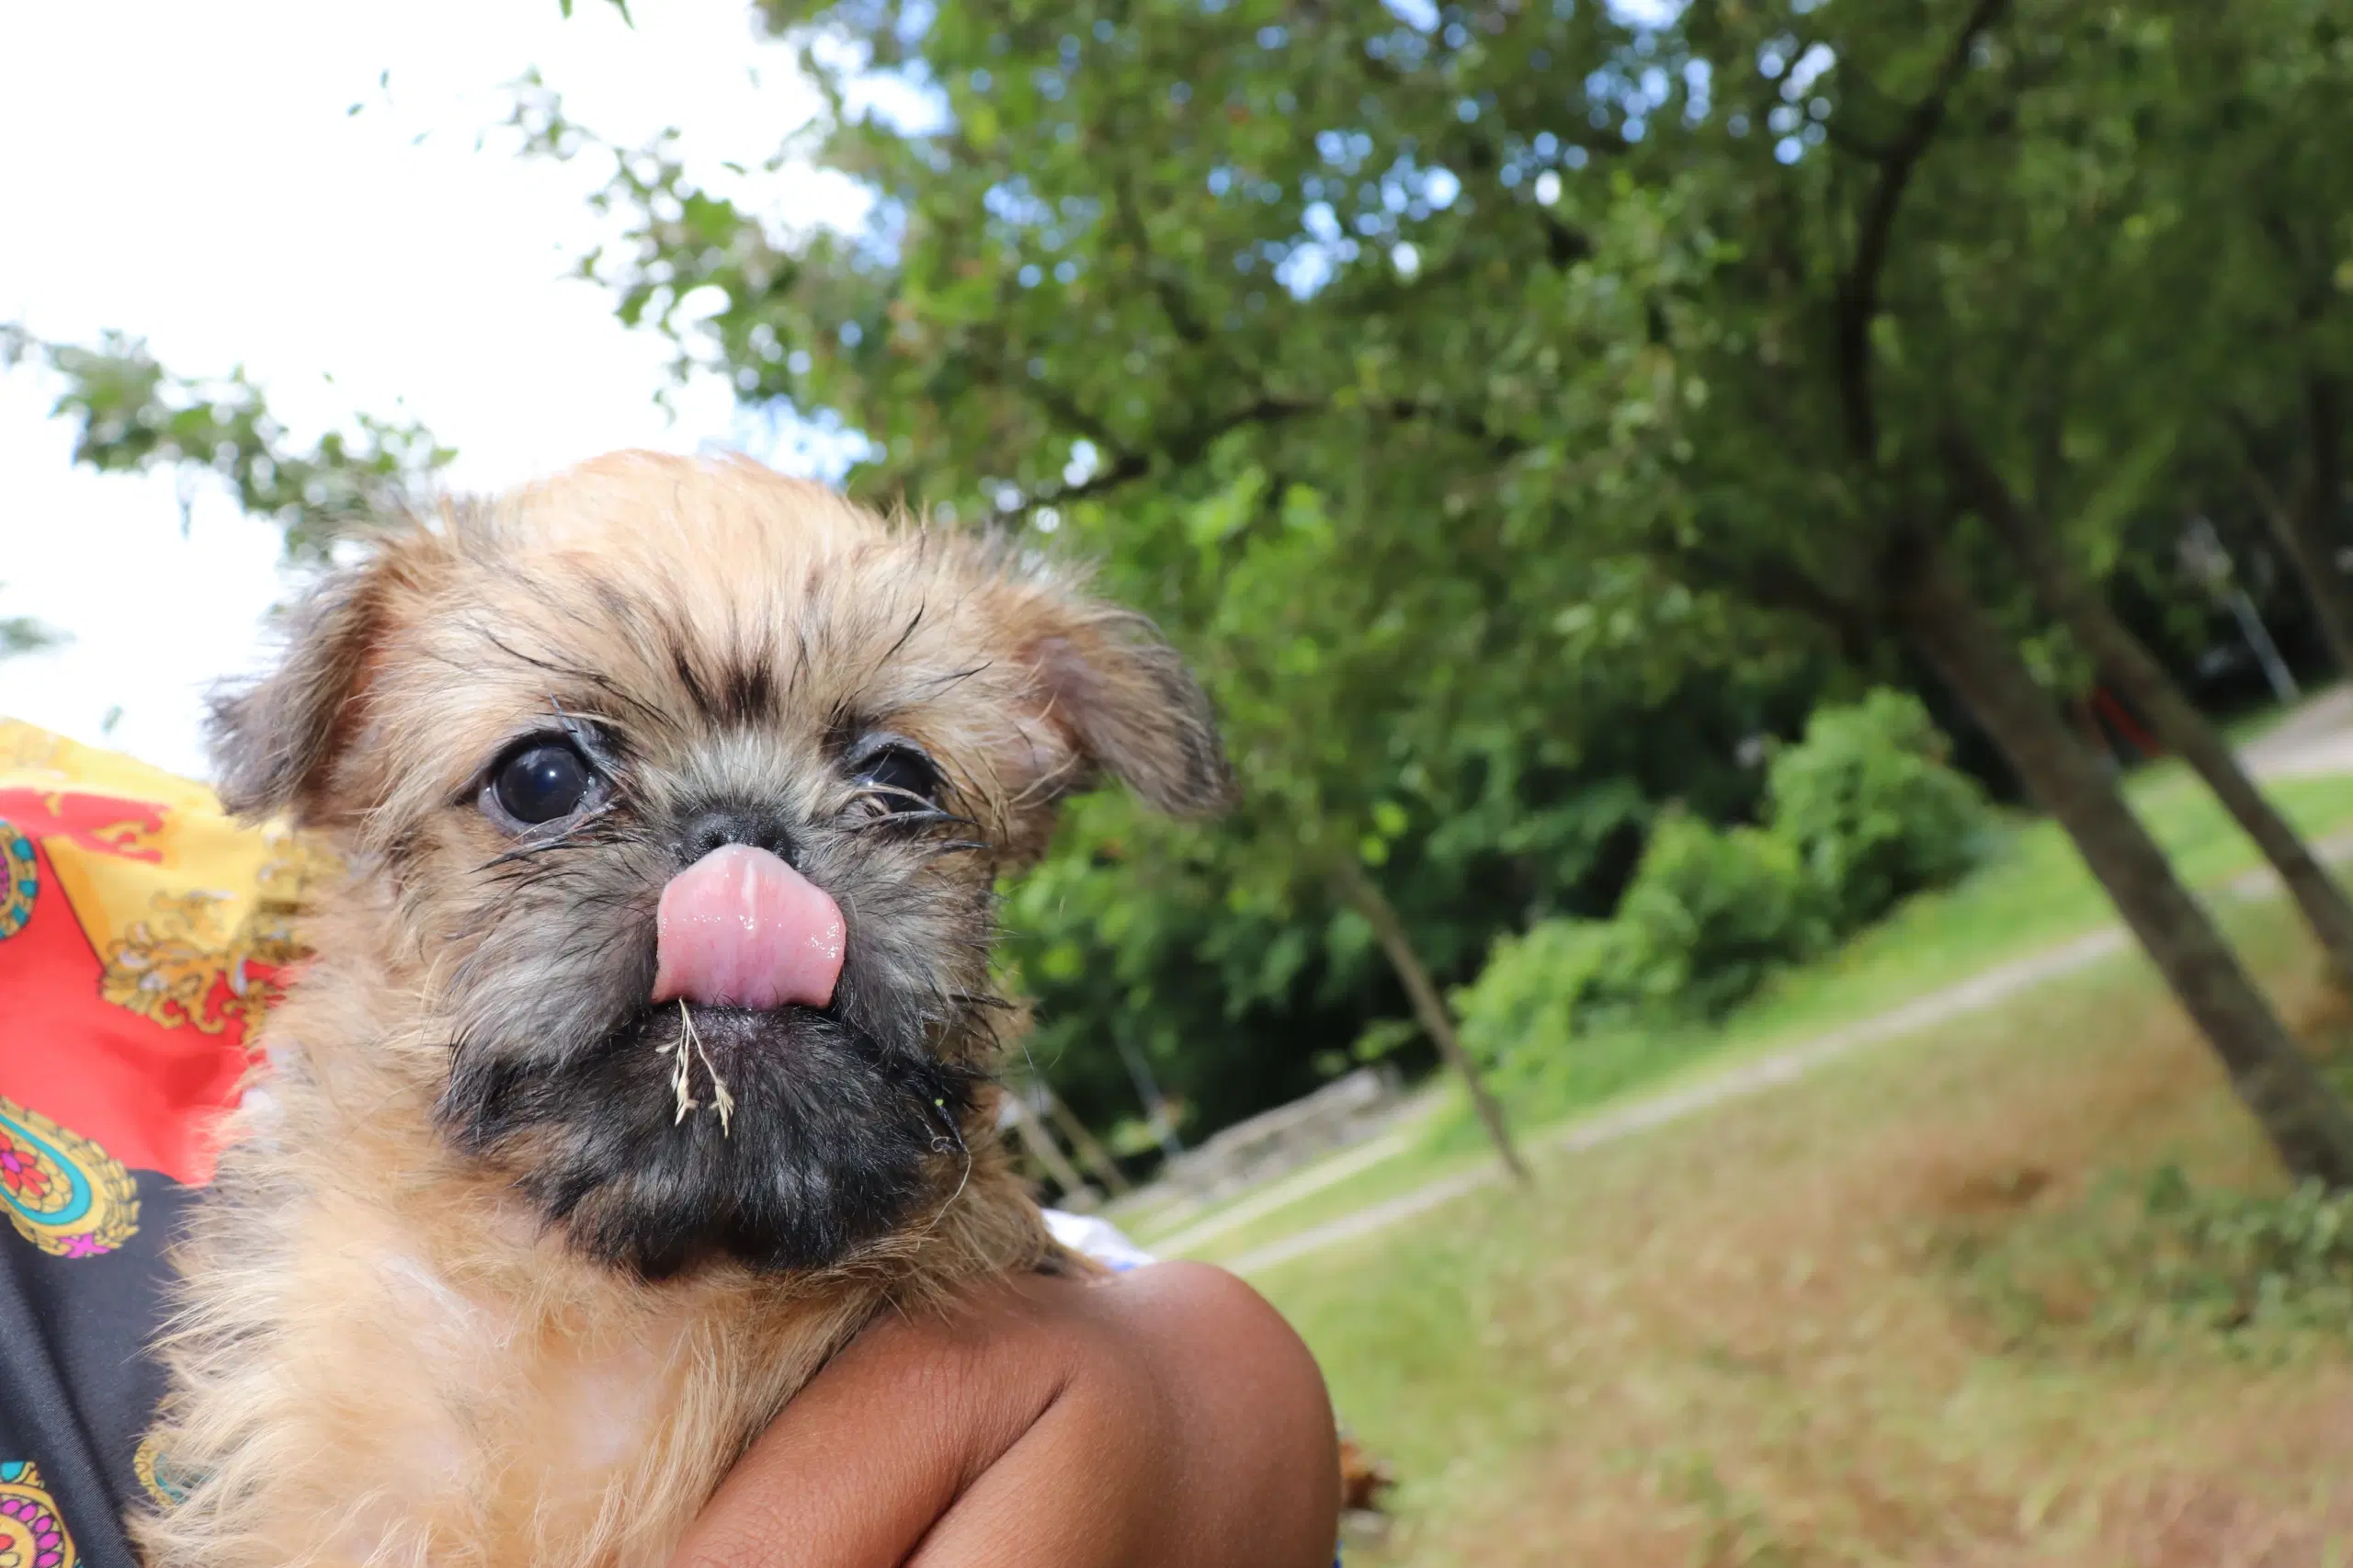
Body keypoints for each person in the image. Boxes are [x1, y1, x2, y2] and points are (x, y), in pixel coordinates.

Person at [0, 719, 1343, 1568]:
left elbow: (1078, 1340)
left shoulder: (130, 844)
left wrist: (1177, 1395)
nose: (743, 860)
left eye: (897, 784)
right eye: (548, 783)